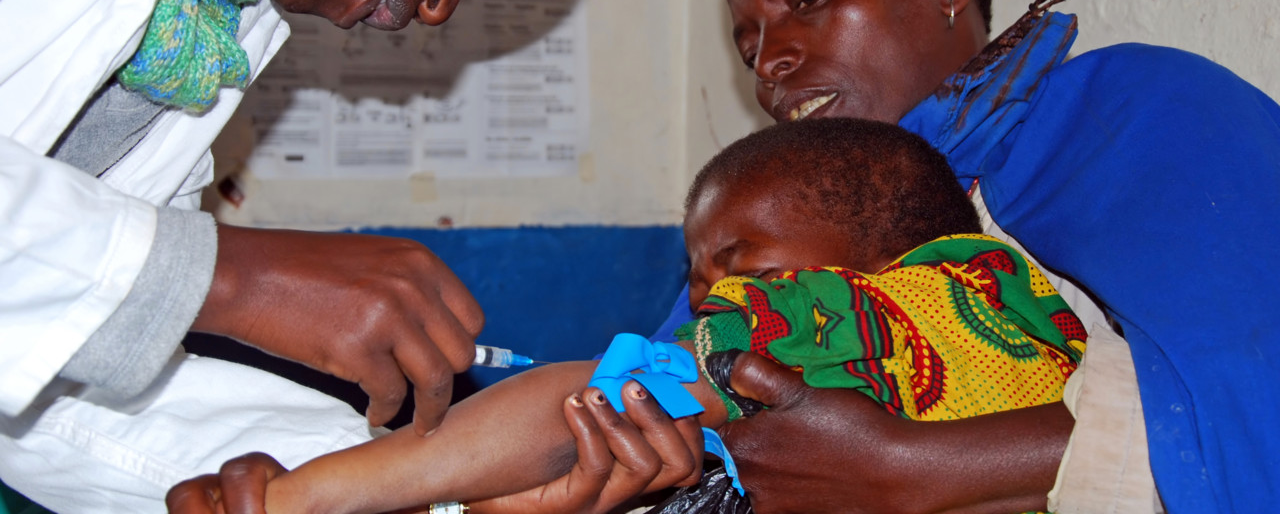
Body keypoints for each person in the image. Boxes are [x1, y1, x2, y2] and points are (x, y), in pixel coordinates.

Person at [0, 0, 603, 511]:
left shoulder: (208, 29)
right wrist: (231, 279)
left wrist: (435, 492)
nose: (440, 5)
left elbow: (61, 379)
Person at [699, 0, 1280, 513]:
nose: (771, 62)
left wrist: (913, 466)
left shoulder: (1143, 119)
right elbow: (673, 384)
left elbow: (1247, 395)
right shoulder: (767, 212)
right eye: (749, 51)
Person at [190, 117, 1084, 514]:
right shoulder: (1037, 314)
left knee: (589, 391)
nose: (707, 297)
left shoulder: (840, 320)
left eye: (740, 266)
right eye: (698, 277)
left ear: (876, 250)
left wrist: (317, 490)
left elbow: (571, 403)